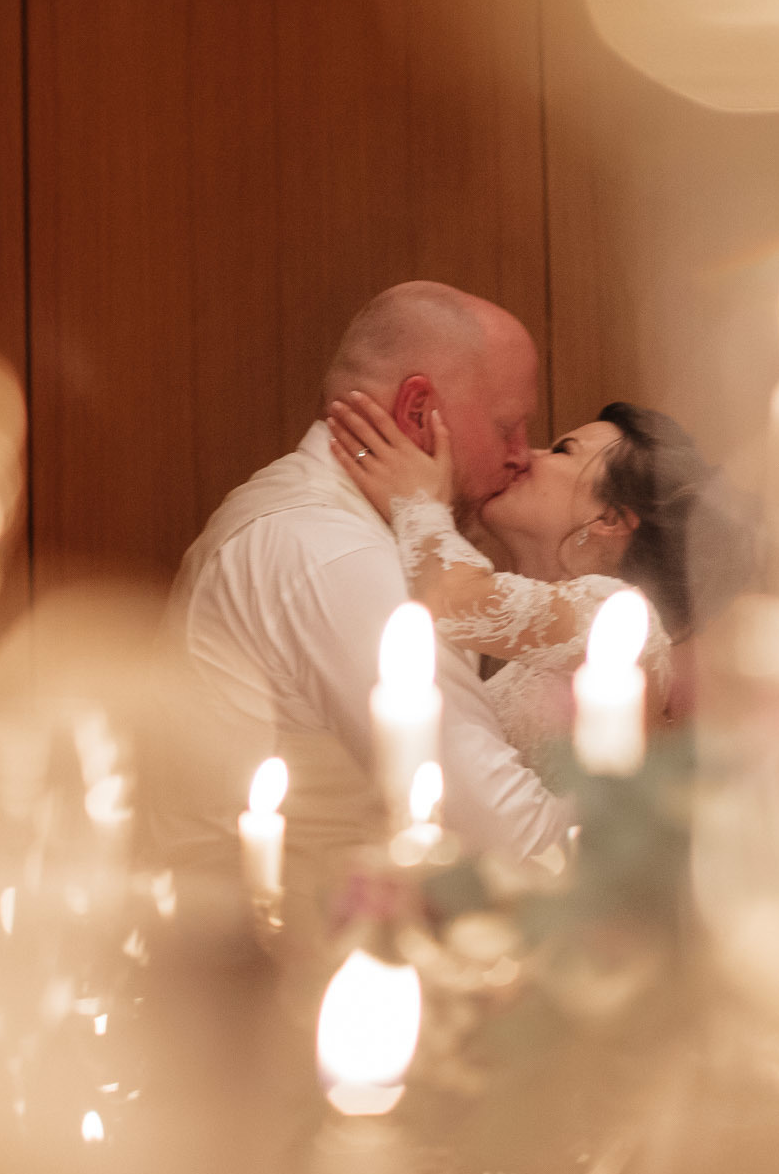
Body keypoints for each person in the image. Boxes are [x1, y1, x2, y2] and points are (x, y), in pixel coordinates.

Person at [161, 282, 572, 918]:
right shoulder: (331, 553)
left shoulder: (314, 521)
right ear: (416, 412)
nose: (523, 455)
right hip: (295, 975)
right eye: (508, 427)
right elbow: (511, 842)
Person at [325, 386, 743, 772]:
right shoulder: (540, 634)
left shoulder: (615, 617)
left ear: (610, 519)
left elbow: (447, 599)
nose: (527, 455)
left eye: (562, 451)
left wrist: (417, 499)